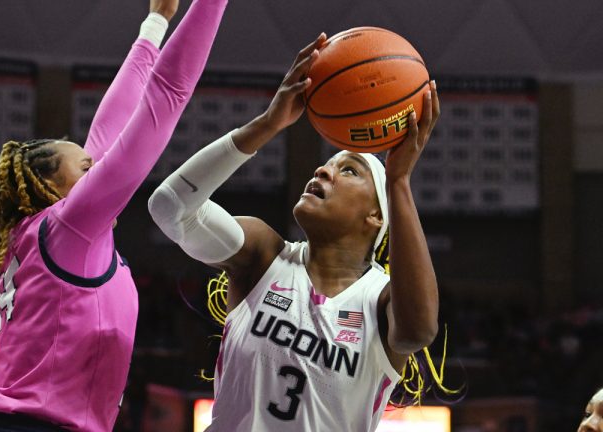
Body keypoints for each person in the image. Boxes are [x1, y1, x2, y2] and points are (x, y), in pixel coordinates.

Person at [148, 33, 441, 431]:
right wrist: (268, 124)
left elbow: (419, 330)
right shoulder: (263, 255)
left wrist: (399, 180)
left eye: (348, 170)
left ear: (376, 216)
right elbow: (171, 207)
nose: (322, 171)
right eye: (327, 165)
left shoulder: (380, 298)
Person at [0, 0, 229, 430]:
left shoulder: (47, 232)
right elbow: (168, 93)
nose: (96, 164)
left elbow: (110, 125)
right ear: (51, 188)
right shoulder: (68, 227)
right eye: (85, 166)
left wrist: (155, 22)